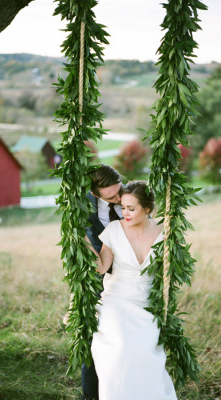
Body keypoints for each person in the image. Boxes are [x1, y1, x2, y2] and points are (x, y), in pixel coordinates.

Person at [87, 181, 177, 400]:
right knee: (119, 346)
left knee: (144, 353)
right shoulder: (114, 229)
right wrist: (82, 240)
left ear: (147, 209)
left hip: (146, 302)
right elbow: (101, 268)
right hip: (116, 299)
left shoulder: (164, 232)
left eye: (131, 208)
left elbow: (168, 273)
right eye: (123, 207)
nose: (124, 213)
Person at [63, 164, 123, 400]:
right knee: (93, 337)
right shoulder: (83, 205)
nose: (119, 198)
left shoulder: (131, 196)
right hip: (98, 276)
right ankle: (91, 394)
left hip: (130, 279)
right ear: (96, 194)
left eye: (119, 191)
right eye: (112, 196)